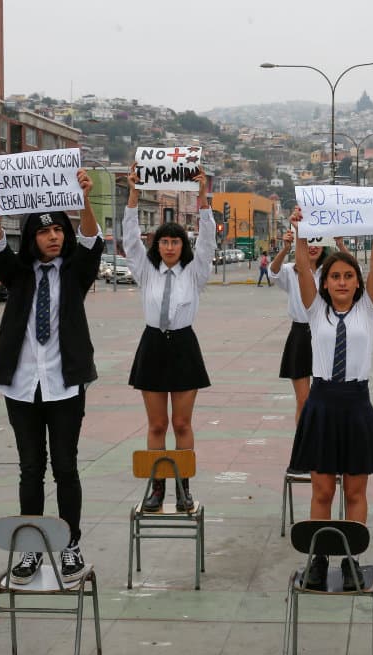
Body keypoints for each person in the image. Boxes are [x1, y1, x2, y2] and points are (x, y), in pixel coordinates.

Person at [0, 170, 103, 585]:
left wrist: (84, 199)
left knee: (66, 468)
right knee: (30, 468)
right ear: (31, 237)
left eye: (58, 230)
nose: (53, 237)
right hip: (21, 385)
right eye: (44, 231)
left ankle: (69, 546)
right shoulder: (17, 275)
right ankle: (30, 549)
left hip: (65, 384)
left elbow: (90, 241)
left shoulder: (76, 274)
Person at [287, 203, 373, 590]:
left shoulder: (368, 309)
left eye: (349, 276)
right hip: (323, 404)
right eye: (335, 277)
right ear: (325, 282)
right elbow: (300, 267)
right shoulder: (316, 312)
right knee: (323, 490)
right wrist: (297, 231)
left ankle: (351, 559)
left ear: (357, 282)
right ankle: (317, 559)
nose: (343, 282)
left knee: (356, 490)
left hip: (356, 405)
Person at [124, 164, 214, 513]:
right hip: (153, 346)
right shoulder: (145, 272)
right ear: (157, 245)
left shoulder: (195, 273)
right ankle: (157, 488)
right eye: (164, 241)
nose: (170, 246)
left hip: (183, 346)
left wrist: (202, 195)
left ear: (183, 245)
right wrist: (132, 193)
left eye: (176, 241)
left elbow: (207, 240)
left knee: (182, 423)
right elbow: (130, 240)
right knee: (158, 424)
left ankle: (184, 488)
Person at [269, 232, 345, 424]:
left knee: (328, 397)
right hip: (300, 334)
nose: (313, 246)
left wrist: (341, 245)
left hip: (326, 332)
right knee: (303, 400)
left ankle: (325, 441)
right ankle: (304, 444)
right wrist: (285, 248)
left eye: (317, 241)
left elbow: (355, 271)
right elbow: (273, 272)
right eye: (308, 241)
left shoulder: (330, 271)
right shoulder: (290, 270)